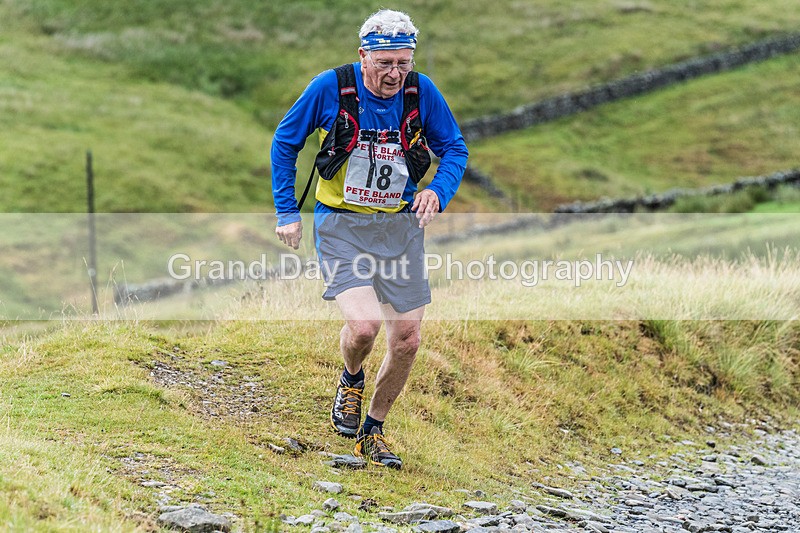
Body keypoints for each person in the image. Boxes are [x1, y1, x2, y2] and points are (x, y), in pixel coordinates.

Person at [270, 9, 468, 469]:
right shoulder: (331, 87)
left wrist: (438, 192)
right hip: (342, 224)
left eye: (403, 63)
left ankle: (372, 431)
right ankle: (351, 379)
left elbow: (454, 148)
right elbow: (285, 141)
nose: (395, 74)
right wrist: (287, 210)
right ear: (364, 56)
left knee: (408, 339)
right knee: (363, 327)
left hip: (400, 229)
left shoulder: (421, 91)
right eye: (385, 64)